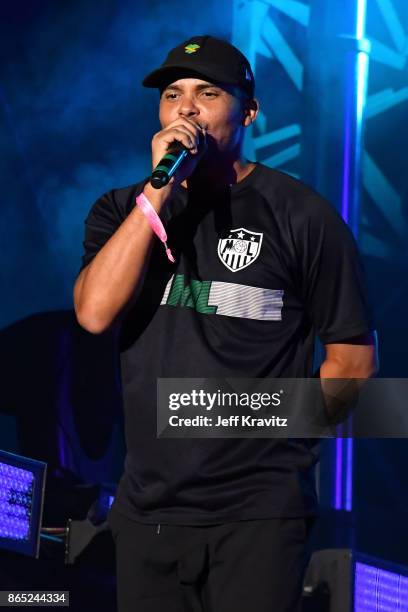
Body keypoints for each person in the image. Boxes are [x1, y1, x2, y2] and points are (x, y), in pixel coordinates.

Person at [74, 35, 378, 612]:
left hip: (258, 512)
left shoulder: (303, 217)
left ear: (250, 111)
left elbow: (354, 363)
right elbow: (94, 314)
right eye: (172, 95)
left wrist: (273, 435)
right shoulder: (121, 211)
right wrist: (156, 196)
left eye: (207, 93)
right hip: (149, 512)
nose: (185, 108)